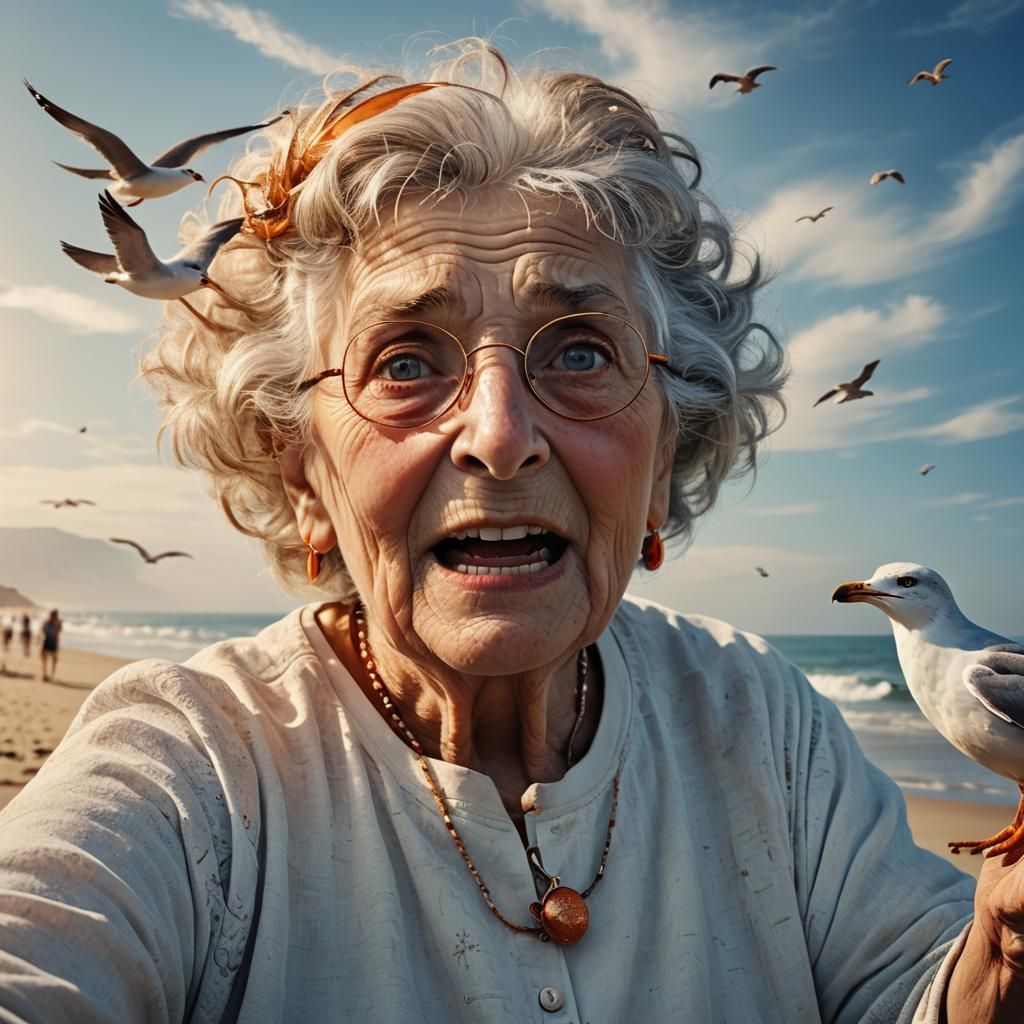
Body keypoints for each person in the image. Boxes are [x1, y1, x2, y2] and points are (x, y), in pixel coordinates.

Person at [0, 39, 1020, 1023]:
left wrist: (1005, 956)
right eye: (404, 361)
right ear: (299, 467)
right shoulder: (191, 769)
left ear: (665, 455)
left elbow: (918, 994)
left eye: (579, 353)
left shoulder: (764, 724)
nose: (499, 436)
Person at [39, 609, 62, 682]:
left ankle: (50, 675)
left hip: (51, 642)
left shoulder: (57, 623)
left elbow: (58, 633)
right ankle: (45, 674)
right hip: (48, 641)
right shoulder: (48, 622)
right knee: (45, 659)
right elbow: (43, 631)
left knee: (53, 659)